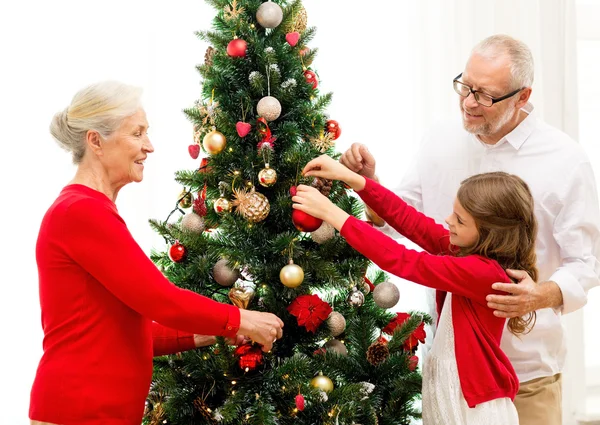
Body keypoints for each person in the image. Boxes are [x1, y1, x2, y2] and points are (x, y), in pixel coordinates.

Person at [340, 34, 600, 425]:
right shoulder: (440, 138)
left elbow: (586, 263)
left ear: (523, 96)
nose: (468, 102)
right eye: (465, 86)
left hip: (526, 373)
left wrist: (537, 296)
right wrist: (370, 187)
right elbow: (407, 220)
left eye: (485, 95)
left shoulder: (565, 160)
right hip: (449, 371)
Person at [29, 81, 284, 425]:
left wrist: (217, 330)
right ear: (96, 141)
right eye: (137, 133)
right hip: (81, 412)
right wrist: (243, 320)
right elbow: (161, 300)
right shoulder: (80, 212)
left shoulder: (88, 210)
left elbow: (123, 333)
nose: (149, 146)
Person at [293, 154, 538, 425]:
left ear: (489, 232)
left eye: (459, 219)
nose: (448, 220)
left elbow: (403, 260)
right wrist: (354, 179)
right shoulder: (468, 253)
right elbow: (412, 222)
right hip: (451, 397)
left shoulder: (482, 272)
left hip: (474, 410)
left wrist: (331, 213)